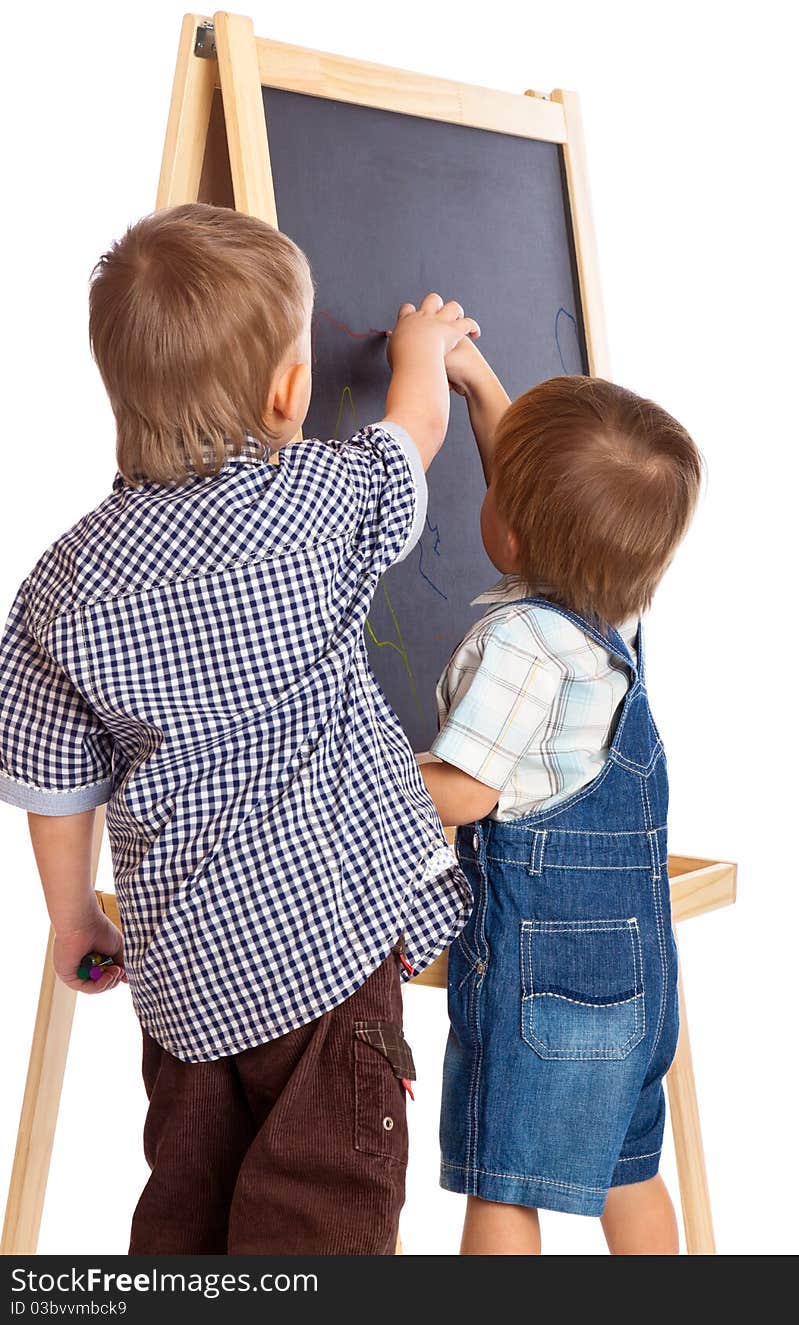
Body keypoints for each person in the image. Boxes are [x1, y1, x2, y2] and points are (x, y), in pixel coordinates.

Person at [0, 202, 479, 1254]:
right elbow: (417, 433)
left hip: (183, 982)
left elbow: (50, 782)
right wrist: (422, 348)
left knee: (186, 1210)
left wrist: (75, 919)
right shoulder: (317, 501)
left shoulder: (60, 586)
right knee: (319, 1221)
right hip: (325, 954)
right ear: (288, 390)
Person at [418, 340, 702, 1255]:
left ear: (511, 529)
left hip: (541, 983)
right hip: (638, 980)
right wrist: (479, 382)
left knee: (506, 1183)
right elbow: (547, 501)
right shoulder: (613, 609)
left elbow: (462, 790)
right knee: (630, 1172)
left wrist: (355, 773)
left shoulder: (522, 646)